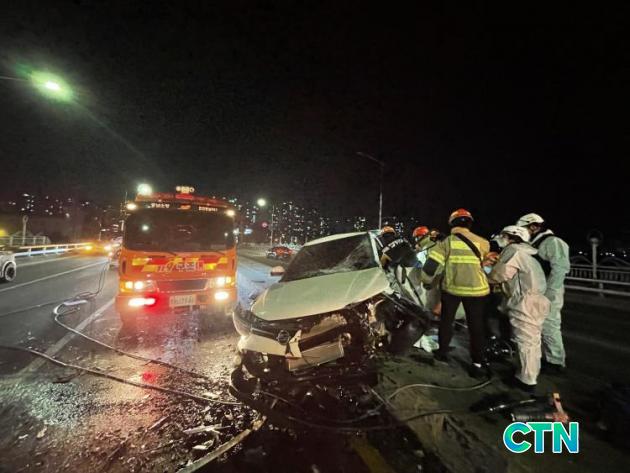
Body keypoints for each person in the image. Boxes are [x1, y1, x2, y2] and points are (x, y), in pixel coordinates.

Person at [421, 209, 491, 378]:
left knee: (446, 321)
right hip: (478, 291)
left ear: (452, 224)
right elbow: (487, 267)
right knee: (476, 326)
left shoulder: (446, 243)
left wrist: (427, 282)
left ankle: (442, 353)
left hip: (453, 290)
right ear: (470, 223)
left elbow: (430, 267)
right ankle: (477, 363)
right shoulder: (483, 242)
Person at [488, 226, 550, 393]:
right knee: (532, 341)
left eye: (503, 235)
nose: (500, 238)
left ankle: (526, 381)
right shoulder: (529, 253)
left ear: (512, 237)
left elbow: (499, 275)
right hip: (537, 300)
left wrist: (486, 274)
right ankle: (527, 374)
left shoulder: (513, 250)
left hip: (525, 301)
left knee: (525, 341)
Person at [516, 213, 570, 374]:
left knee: (549, 325)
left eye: (524, 228)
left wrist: (549, 293)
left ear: (534, 227)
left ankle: (556, 361)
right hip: (536, 291)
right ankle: (545, 358)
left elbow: (560, 268)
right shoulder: (534, 243)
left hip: (548, 291)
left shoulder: (553, 242)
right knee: (535, 326)